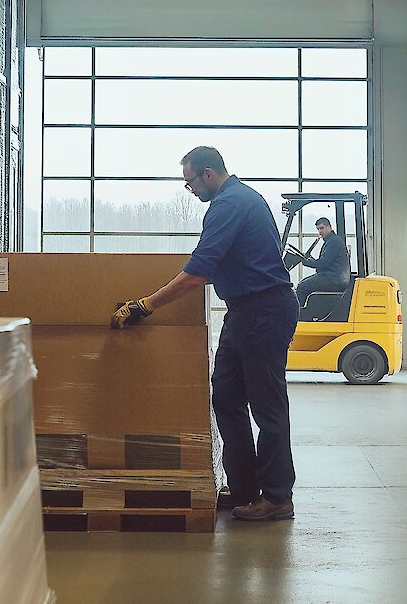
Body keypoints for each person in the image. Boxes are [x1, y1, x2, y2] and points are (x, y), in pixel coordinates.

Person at [111, 146, 299, 522]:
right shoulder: (242, 200)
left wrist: (146, 304)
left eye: (190, 183)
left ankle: (277, 497)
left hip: (263, 311)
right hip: (245, 311)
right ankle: (245, 487)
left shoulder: (230, 205)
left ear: (208, 174)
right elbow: (218, 265)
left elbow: (199, 272)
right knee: (227, 396)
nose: (191, 190)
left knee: (267, 404)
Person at [295, 217, 350, 307]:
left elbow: (323, 264)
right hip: (334, 277)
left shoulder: (333, 242)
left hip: (333, 278)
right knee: (304, 282)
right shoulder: (331, 241)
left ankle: (298, 315)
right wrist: (310, 260)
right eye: (318, 229)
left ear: (329, 227)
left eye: (322, 228)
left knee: (302, 286)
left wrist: (306, 262)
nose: (320, 231)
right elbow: (324, 261)